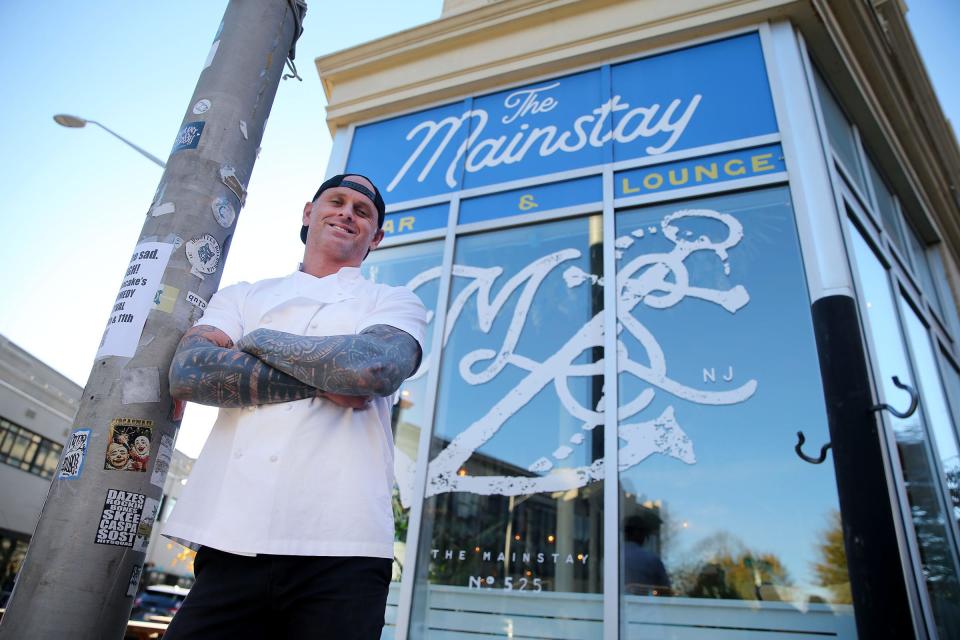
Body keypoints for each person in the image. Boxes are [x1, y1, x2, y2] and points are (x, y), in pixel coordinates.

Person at [161, 174, 427, 639]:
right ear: (309, 213)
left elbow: (372, 371)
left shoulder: (393, 301)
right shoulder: (244, 295)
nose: (347, 212)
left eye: (362, 211)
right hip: (231, 539)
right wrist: (329, 376)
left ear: (376, 237)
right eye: (337, 202)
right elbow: (189, 372)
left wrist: (256, 341)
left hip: (344, 546)